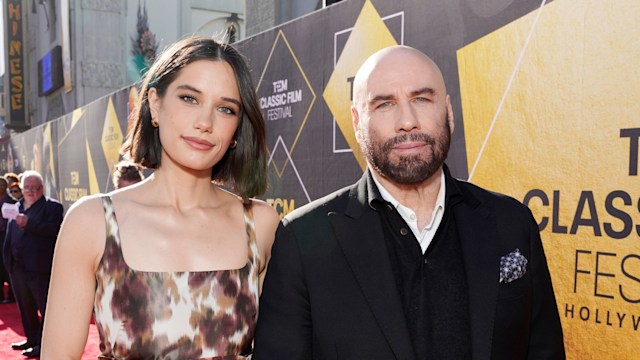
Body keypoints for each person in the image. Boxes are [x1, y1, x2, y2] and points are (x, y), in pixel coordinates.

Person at [253, 45, 565, 359]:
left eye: (421, 99)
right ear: (357, 122)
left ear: (449, 112)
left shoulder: (511, 223)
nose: (407, 120)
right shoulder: (302, 239)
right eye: (385, 104)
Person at [42, 36, 279, 359]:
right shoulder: (93, 222)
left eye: (225, 109)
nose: (204, 123)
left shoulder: (260, 225)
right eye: (189, 98)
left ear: (238, 127)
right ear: (154, 103)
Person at [3, 170, 64, 358]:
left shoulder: (53, 208)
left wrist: (29, 224)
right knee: (25, 308)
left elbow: (54, 230)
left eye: (34, 188)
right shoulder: (15, 206)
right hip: (17, 268)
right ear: (21, 188)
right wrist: (8, 263)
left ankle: (43, 344)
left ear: (42, 189)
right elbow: (9, 235)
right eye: (27, 187)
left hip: (39, 269)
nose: (30, 191)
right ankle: (31, 339)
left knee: (44, 308)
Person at [0, 177, 17, 304]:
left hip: (7, 237)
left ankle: (12, 295)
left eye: (2, 185)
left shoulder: (13, 202)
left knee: (8, 266)